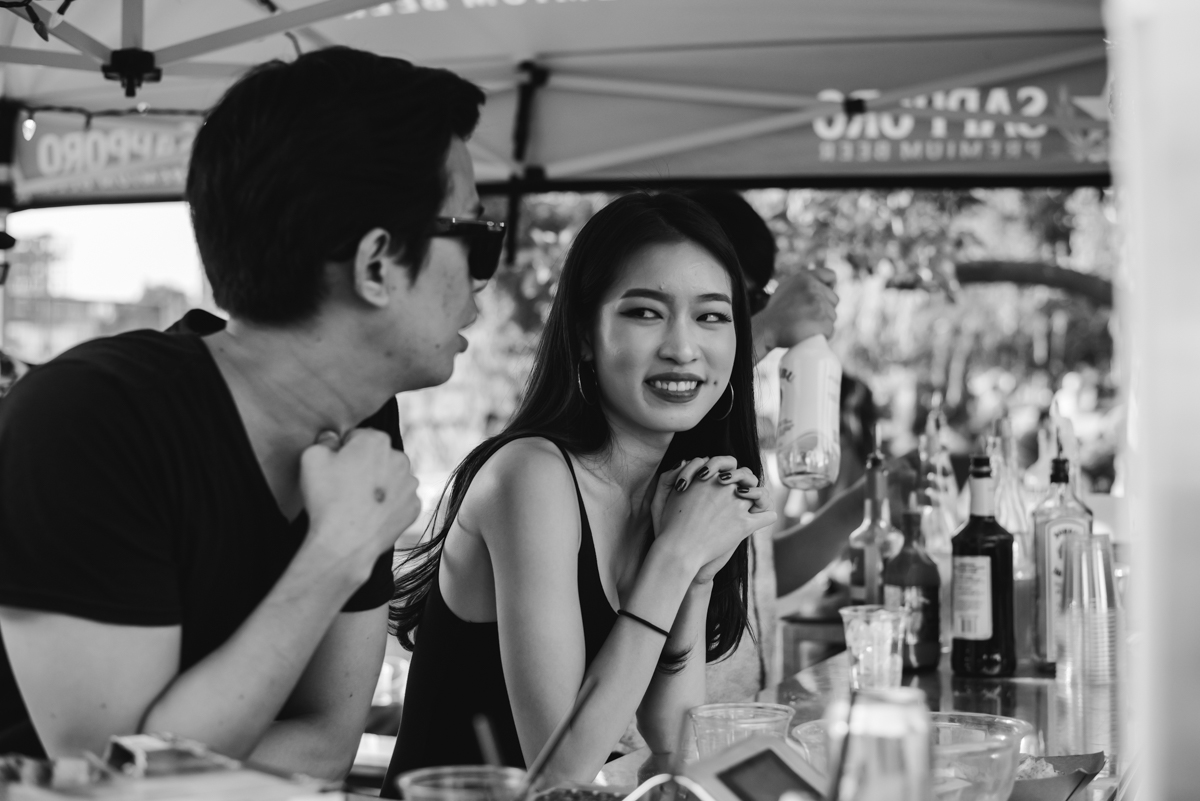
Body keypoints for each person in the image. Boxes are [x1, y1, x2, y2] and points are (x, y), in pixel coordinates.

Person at [0, 47, 492, 780]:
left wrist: (170, 744)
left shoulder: (364, 422)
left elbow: (326, 746)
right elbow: (116, 778)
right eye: (476, 236)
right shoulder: (90, 421)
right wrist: (335, 551)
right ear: (377, 264)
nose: (485, 279)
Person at [383, 192, 777, 788]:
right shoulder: (531, 476)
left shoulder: (667, 489)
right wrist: (675, 558)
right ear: (585, 333)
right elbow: (558, 775)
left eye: (712, 316)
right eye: (645, 312)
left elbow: (672, 741)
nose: (682, 347)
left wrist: (695, 576)